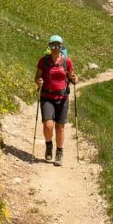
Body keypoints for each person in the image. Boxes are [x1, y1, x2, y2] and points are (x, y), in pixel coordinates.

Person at [35, 35, 77, 165]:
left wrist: (75, 80)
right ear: (49, 46)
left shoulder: (67, 62)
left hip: (62, 98)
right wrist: (39, 81)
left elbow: (72, 77)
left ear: (61, 47)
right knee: (48, 125)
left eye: (58, 45)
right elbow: (37, 78)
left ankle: (59, 152)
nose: (55, 48)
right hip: (47, 97)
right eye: (52, 45)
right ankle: (49, 145)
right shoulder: (43, 61)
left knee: (60, 127)